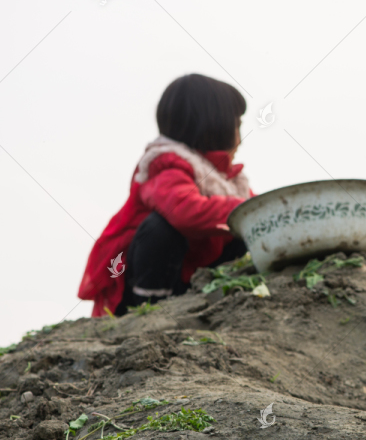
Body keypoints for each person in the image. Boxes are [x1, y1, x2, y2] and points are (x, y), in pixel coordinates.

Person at [78, 74, 254, 317]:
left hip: (186, 281)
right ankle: (148, 310)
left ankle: (214, 296)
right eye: (237, 126)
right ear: (214, 126)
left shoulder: (227, 180)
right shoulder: (164, 165)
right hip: (137, 287)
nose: (240, 140)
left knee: (246, 227)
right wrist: (249, 210)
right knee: (162, 228)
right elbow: (184, 211)